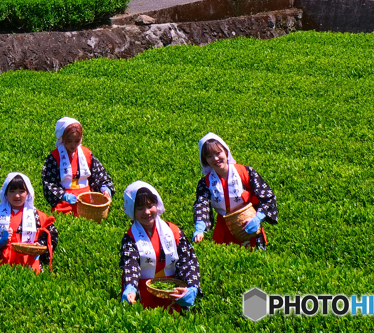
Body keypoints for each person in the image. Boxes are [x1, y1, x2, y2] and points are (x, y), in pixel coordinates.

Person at [120, 181, 200, 311]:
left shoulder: (174, 231)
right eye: (140, 208)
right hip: (143, 293)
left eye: (150, 206)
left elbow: (188, 261)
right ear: (132, 211)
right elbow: (131, 265)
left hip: (172, 292)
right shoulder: (130, 237)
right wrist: (130, 287)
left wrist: (192, 286)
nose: (147, 212)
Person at [193, 133, 277, 248]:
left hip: (250, 225)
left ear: (226, 151)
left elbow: (267, 196)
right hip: (224, 233)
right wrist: (200, 227)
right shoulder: (205, 183)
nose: (215, 159)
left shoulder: (245, 172)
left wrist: (258, 218)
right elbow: (202, 205)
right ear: (205, 160)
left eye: (218, 153)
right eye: (209, 156)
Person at [0, 172, 58, 273]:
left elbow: (52, 235)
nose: (17, 195)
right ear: (6, 193)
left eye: (21, 191)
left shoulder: (38, 215)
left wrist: (39, 245)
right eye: (12, 191)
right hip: (4, 262)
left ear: (28, 192)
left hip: (30, 262)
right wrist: (0, 241)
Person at [41, 117, 115, 214]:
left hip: (87, 197)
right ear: (62, 139)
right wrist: (64, 195)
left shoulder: (86, 153)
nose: (73, 145)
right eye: (69, 141)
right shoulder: (54, 156)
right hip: (66, 198)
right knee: (63, 210)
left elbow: (99, 173)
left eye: (76, 141)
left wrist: (104, 188)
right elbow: (49, 181)